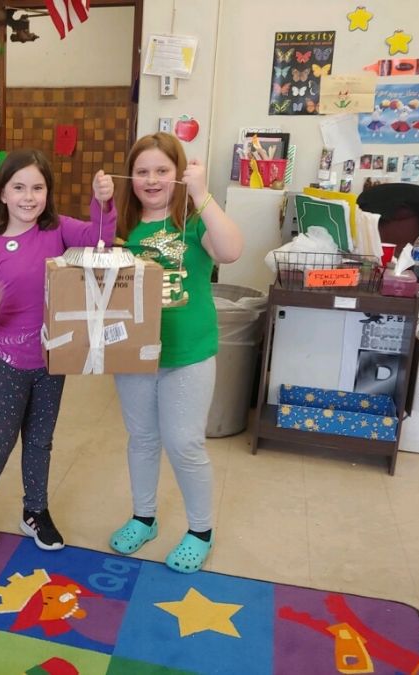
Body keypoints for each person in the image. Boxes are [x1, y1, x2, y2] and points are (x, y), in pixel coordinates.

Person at [0, 148, 115, 551]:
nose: (28, 197)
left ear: (48, 193)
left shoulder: (57, 230)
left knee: (40, 440)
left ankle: (36, 510)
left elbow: (100, 238)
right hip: (7, 361)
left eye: (37, 188)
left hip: (51, 358)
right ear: (2, 194)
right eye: (19, 188)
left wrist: (102, 201)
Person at [110, 132, 243, 573]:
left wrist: (202, 196)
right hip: (134, 354)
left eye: (162, 171)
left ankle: (201, 531)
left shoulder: (195, 221)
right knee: (142, 438)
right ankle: (143, 517)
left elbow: (232, 250)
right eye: (142, 172)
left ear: (179, 174)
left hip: (188, 352)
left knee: (184, 443)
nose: (152, 180)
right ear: (131, 177)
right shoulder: (124, 227)